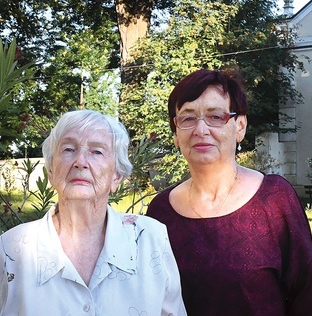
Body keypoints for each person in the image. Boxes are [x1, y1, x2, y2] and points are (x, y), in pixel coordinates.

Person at [146, 69, 312, 316]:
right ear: (176, 133)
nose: (201, 129)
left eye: (216, 116)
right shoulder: (160, 212)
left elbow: (308, 301)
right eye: (187, 118)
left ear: (239, 126)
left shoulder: (274, 200)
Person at [0, 110, 186, 315]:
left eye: (97, 152)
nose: (80, 161)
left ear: (116, 176)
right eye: (69, 149)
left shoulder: (151, 239)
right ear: (51, 172)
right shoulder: (10, 250)